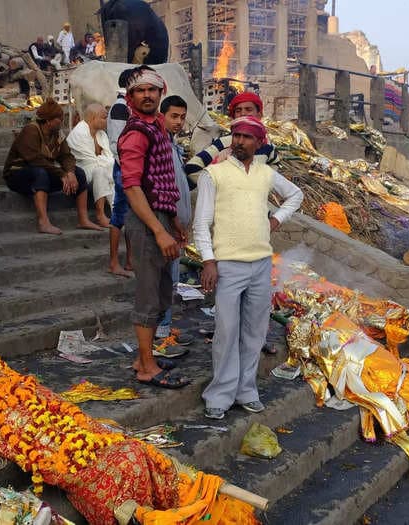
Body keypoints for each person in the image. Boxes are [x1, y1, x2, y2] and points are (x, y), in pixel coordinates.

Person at [193, 115, 303, 419]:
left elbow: (296, 195)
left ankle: (246, 390)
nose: (240, 141)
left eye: (247, 137)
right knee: (226, 331)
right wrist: (208, 260)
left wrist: (276, 220)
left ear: (259, 143)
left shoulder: (265, 173)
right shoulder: (213, 174)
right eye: (236, 136)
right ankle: (219, 394)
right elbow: (201, 223)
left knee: (255, 332)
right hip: (227, 264)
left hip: (260, 263)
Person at [118, 66, 189, 389]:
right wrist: (159, 231)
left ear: (160, 93)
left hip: (161, 218)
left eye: (152, 90)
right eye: (140, 91)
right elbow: (133, 188)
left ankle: (141, 357)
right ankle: (146, 366)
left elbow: (164, 182)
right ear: (131, 97)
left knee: (162, 293)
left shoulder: (157, 127)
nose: (147, 95)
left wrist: (172, 222)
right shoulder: (135, 133)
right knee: (148, 295)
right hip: (146, 222)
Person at [3, 98, 103, 235]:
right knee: (40, 173)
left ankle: (83, 219)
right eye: (58, 118)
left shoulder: (57, 134)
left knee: (79, 173)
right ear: (48, 120)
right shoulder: (31, 130)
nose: (61, 121)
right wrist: (61, 174)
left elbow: (66, 156)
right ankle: (43, 222)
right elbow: (34, 160)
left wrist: (70, 172)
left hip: (45, 171)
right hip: (17, 175)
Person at [155, 95, 193, 343]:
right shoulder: (159, 145)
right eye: (174, 116)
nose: (178, 122)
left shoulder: (173, 144)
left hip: (176, 225)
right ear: (162, 116)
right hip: (166, 224)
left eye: (182, 117)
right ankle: (160, 332)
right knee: (163, 280)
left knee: (172, 279)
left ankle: (165, 329)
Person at [185, 92, 279, 177]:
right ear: (233, 116)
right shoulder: (223, 143)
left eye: (248, 109)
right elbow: (192, 167)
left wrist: (264, 183)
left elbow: (274, 164)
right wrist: (214, 183)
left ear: (259, 115)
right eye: (238, 110)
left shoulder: (267, 146)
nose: (243, 113)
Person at [66, 104, 115, 228]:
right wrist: (110, 163)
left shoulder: (101, 134)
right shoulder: (79, 133)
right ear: (93, 118)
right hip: (82, 172)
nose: (107, 121)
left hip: (100, 169)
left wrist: (110, 163)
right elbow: (90, 161)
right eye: (104, 118)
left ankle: (117, 211)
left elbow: (109, 157)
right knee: (101, 171)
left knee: (106, 169)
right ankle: (100, 215)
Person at [107, 68, 134, 278]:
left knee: (132, 215)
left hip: (131, 168)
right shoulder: (119, 108)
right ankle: (114, 262)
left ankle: (130, 261)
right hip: (125, 168)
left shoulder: (128, 107)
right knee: (119, 214)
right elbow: (118, 145)